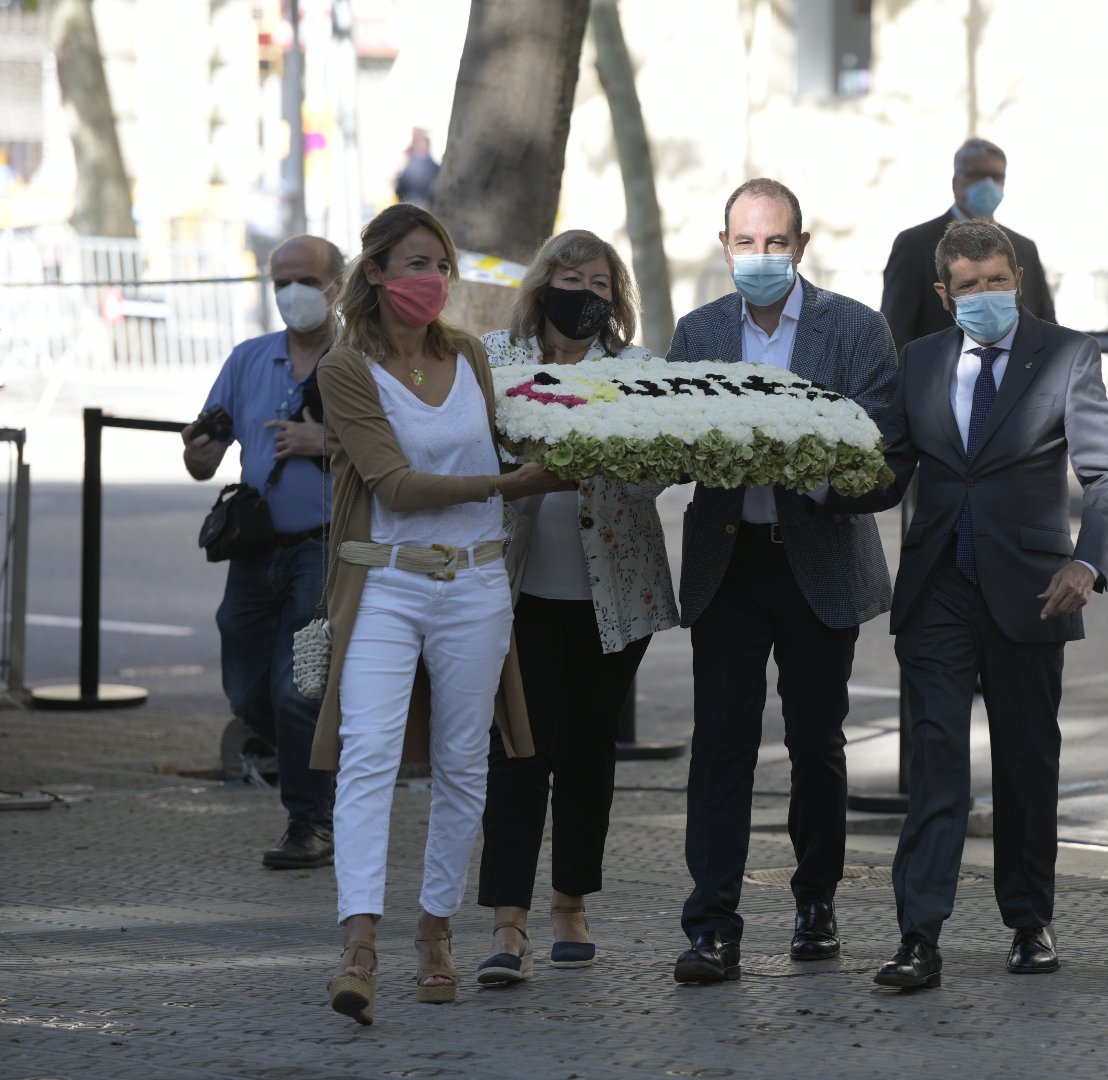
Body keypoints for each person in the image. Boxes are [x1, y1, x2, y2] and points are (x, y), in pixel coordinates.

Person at [828, 220, 1108, 989]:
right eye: (970, 286)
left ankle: (1030, 922)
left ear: (1017, 277)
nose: (987, 295)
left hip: (1035, 590)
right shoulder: (920, 360)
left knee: (1028, 764)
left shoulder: (1066, 355)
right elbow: (891, 470)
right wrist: (818, 478)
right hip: (936, 592)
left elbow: (1106, 477)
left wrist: (1088, 562)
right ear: (944, 293)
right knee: (936, 769)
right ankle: (918, 935)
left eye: (999, 280)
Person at [312, 202, 556, 1024]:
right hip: (385, 581)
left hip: (477, 583)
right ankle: (358, 946)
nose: (434, 282)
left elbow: (507, 444)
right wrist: (505, 486)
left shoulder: (472, 356)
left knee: (463, 760)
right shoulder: (345, 371)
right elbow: (394, 486)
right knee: (368, 753)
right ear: (375, 274)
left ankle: (436, 932)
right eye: (417, 264)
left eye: (443, 267)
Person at [665, 177, 897, 984]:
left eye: (775, 242)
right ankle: (712, 926)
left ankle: (815, 903)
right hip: (728, 564)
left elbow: (884, 454)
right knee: (721, 746)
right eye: (744, 242)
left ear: (800, 246)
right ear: (724, 246)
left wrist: (813, 468)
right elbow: (673, 443)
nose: (759, 256)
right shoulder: (696, 333)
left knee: (815, 744)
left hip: (818, 559)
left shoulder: (856, 329)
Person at [473, 230, 679, 983]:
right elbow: (468, 454)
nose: (585, 294)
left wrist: (616, 452)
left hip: (614, 598)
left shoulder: (637, 369)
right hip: (511, 591)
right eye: (571, 278)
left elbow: (660, 475)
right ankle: (507, 922)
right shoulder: (494, 359)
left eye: (599, 283)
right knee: (519, 752)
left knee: (589, 752)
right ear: (542, 283)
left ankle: (570, 907)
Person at [182, 233, 345, 869]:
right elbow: (205, 455)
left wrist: (323, 442)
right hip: (255, 550)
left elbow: (401, 454)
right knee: (250, 694)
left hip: (327, 549)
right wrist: (198, 452)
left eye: (305, 280)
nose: (292, 294)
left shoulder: (360, 362)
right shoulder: (249, 359)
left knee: (300, 687)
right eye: (280, 282)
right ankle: (336, 766)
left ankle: (312, 824)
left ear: (337, 285)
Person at [880, 137, 1056, 352]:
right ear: (956, 182)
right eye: (976, 176)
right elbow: (894, 332)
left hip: (1019, 381)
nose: (988, 184)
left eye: (996, 176)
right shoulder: (915, 244)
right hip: (941, 380)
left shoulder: (1024, 247)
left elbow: (1047, 326)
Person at [395, 128, 440, 209]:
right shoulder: (434, 168)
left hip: (416, 205)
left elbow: (399, 189)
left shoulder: (411, 166)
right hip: (420, 206)